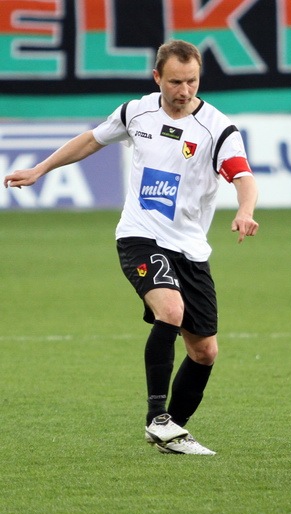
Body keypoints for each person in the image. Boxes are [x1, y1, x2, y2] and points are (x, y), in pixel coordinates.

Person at [4, 39, 259, 455]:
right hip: (139, 235)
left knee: (205, 351)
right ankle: (157, 418)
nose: (184, 90)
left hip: (190, 247)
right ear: (157, 77)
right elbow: (92, 140)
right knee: (170, 311)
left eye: (192, 81)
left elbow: (243, 176)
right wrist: (41, 168)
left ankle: (172, 432)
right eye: (175, 82)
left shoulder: (218, 129)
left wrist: (245, 210)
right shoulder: (135, 112)